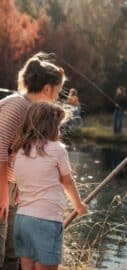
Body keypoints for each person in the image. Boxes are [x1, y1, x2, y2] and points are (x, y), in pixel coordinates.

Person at [0, 52, 66, 270]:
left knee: (13, 252)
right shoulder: (18, 105)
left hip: (11, 186)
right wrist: (2, 192)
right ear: (47, 89)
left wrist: (21, 185)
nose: (56, 99)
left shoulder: (33, 113)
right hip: (1, 186)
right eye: (57, 92)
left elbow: (22, 155)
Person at [12, 102, 87, 270]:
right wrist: (79, 206)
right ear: (52, 126)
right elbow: (67, 182)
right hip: (45, 221)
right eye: (59, 126)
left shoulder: (21, 150)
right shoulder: (57, 150)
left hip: (22, 220)